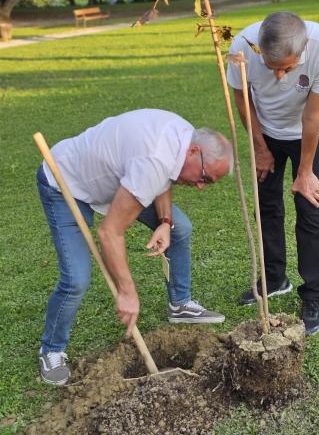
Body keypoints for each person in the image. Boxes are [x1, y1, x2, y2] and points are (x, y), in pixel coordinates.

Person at [36, 109, 233, 385]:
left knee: (179, 228)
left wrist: (165, 221)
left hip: (121, 179)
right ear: (194, 151)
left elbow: (165, 177)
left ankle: (180, 304)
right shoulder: (154, 160)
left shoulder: (183, 136)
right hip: (66, 182)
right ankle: (52, 350)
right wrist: (127, 293)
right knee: (76, 278)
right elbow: (110, 233)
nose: (201, 186)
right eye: (205, 177)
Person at [227, 12, 319, 336]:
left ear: (302, 50)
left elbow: (312, 115)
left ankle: (312, 296)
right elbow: (243, 100)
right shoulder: (242, 48)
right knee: (266, 204)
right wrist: (260, 148)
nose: (279, 77)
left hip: (308, 133)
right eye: (271, 67)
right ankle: (275, 278)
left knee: (308, 206)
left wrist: (305, 172)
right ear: (259, 50)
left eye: (287, 69)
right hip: (265, 132)